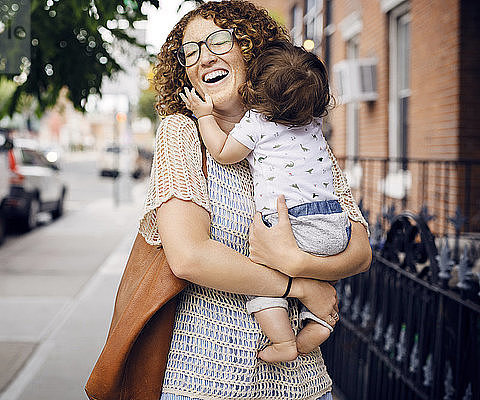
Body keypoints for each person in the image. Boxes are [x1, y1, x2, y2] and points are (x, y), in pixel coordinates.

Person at [141, 1, 372, 399]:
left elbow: (361, 252)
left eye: (217, 40)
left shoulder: (300, 128)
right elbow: (189, 257)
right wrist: (299, 285)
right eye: (190, 51)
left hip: (302, 382)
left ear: (250, 48)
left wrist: (300, 262)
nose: (203, 57)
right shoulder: (182, 133)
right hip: (209, 376)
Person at [180, 43, 348, 363]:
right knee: (318, 278)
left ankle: (284, 340)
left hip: (292, 223)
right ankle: (323, 319)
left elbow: (223, 153)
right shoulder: (315, 125)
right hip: (334, 225)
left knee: (262, 280)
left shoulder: (257, 121)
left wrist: (203, 116)